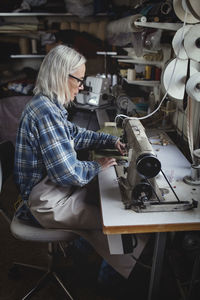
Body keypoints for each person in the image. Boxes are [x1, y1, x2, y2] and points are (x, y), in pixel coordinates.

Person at [14, 44, 148, 286]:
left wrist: (110, 139)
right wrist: (98, 165)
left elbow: (75, 134)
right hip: (44, 203)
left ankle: (99, 269)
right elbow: (67, 173)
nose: (82, 86)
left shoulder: (47, 105)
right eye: (80, 80)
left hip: (49, 191)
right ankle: (114, 282)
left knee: (104, 199)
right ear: (62, 76)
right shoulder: (45, 113)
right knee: (114, 219)